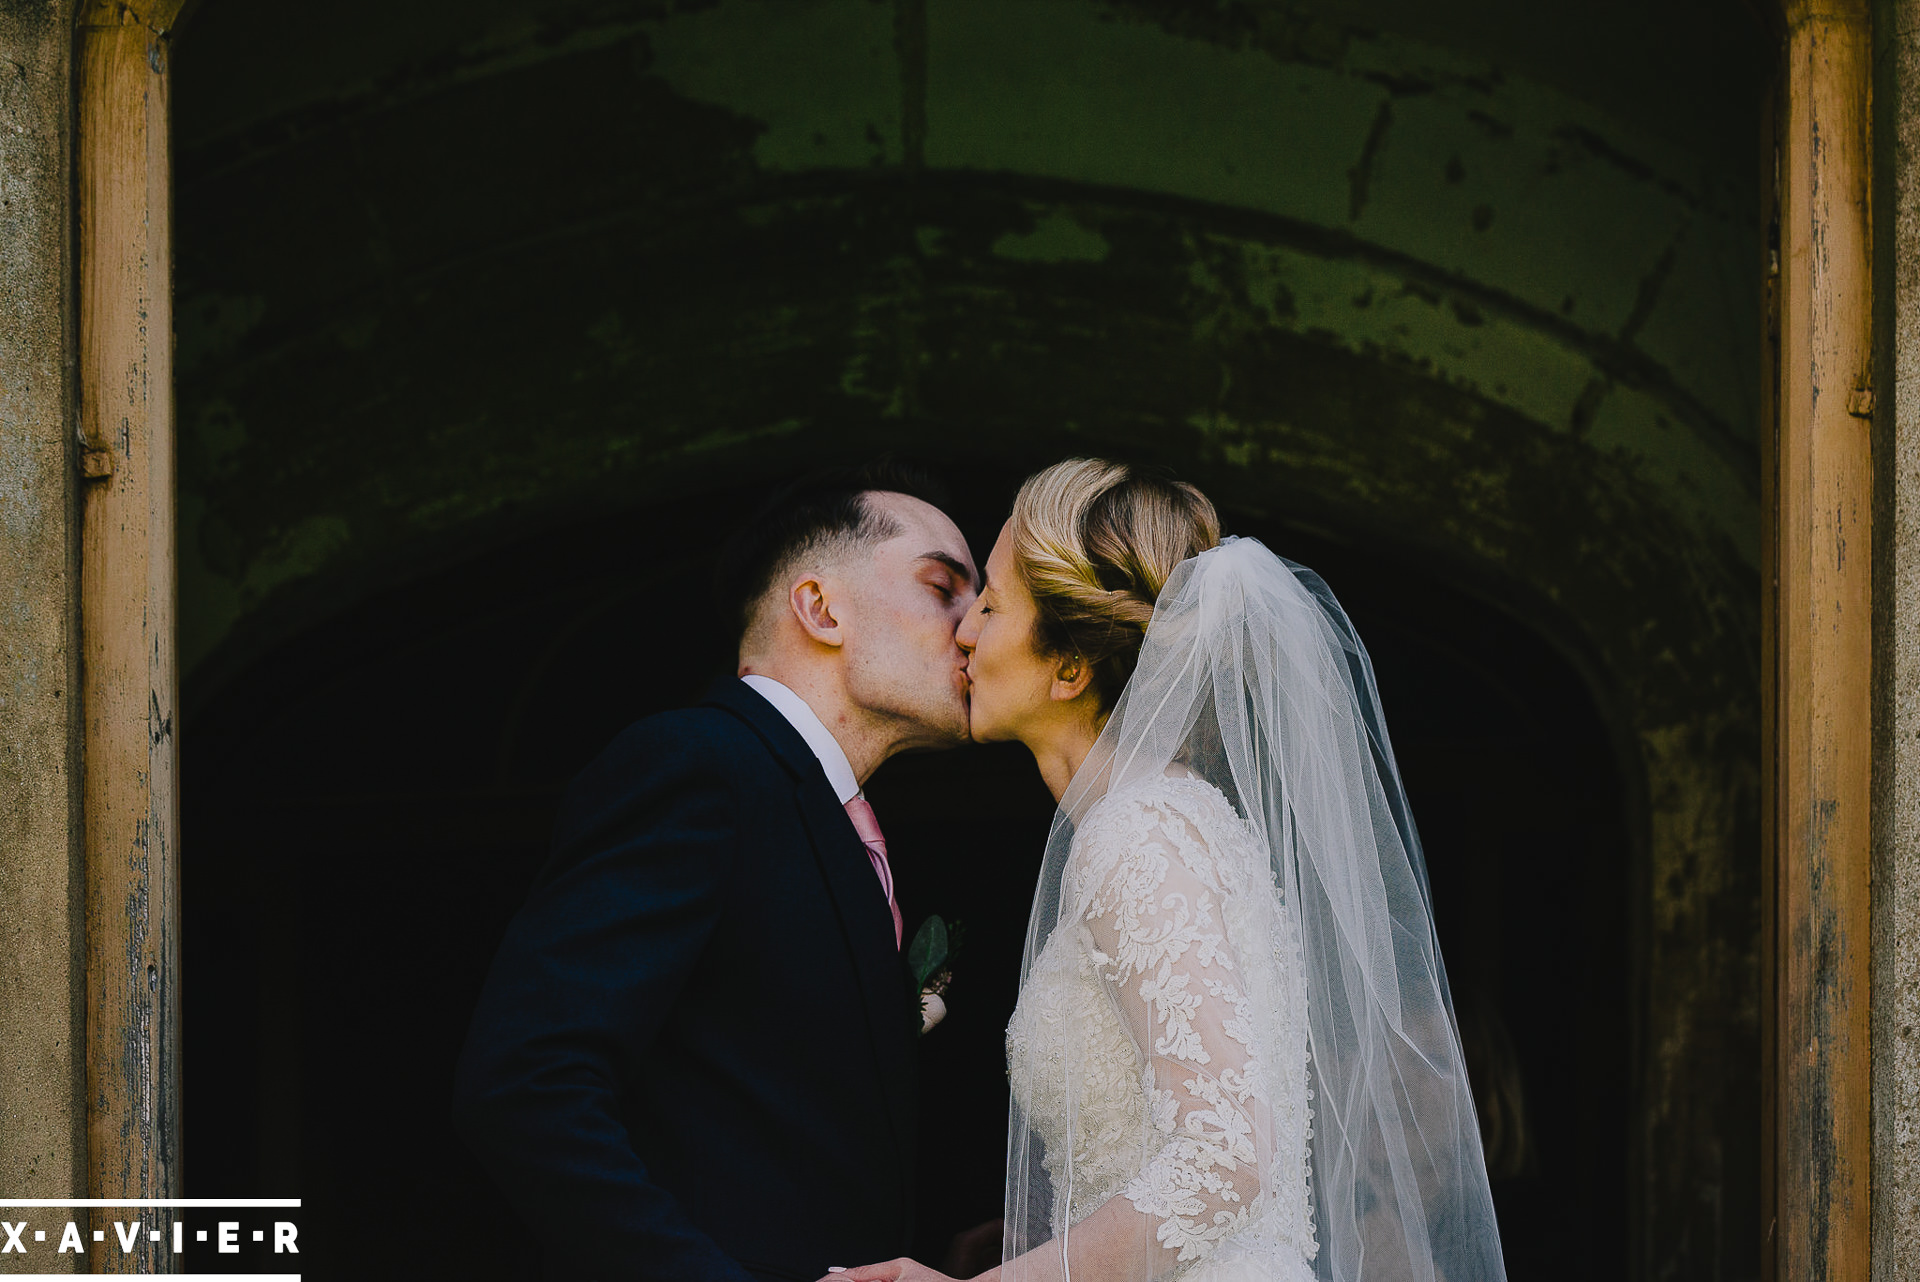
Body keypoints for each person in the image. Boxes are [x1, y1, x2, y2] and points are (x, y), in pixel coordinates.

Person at [821, 459, 1506, 1282]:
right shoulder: (1176, 818)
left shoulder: (1137, 834)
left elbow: (1229, 1156)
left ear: (1070, 667)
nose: (963, 631)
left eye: (993, 606)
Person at [454, 461, 979, 1281]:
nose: (975, 625)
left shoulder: (837, 815)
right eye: (944, 586)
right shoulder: (697, 766)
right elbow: (528, 1085)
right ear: (821, 607)